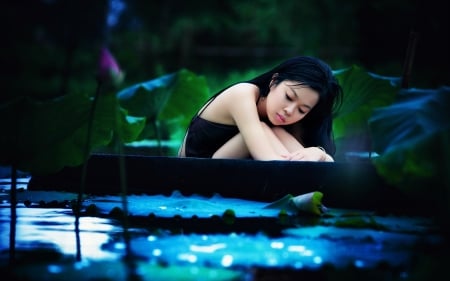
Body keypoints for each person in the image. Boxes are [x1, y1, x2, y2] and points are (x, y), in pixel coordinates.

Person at [178, 56, 344, 162]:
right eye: (289, 97)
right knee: (265, 128)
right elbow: (269, 161)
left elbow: (327, 165)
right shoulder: (242, 94)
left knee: (279, 133)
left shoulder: (282, 126)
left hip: (233, 178)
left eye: (302, 110)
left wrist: (319, 153)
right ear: (274, 82)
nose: (290, 111)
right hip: (198, 175)